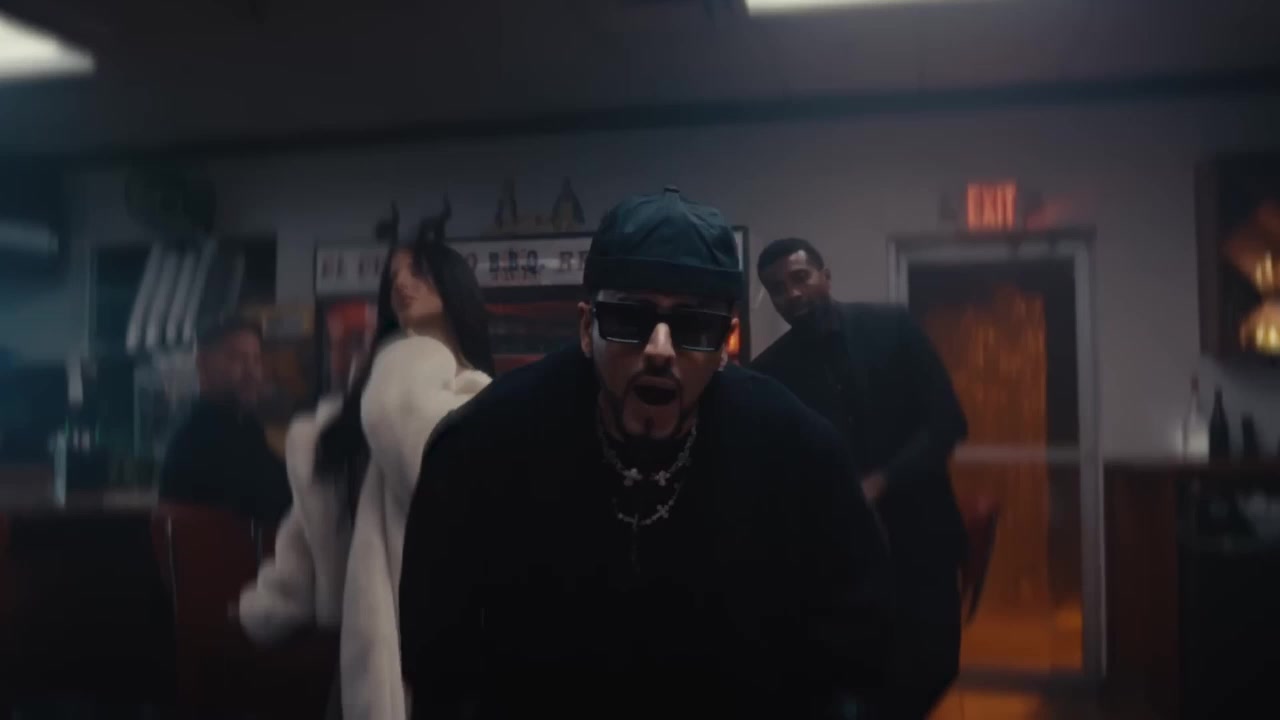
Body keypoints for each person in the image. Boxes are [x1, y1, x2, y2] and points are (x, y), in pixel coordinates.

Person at [398, 188, 892, 720]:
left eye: (694, 326)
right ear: (586, 328)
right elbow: (439, 663)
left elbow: (856, 644)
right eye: (629, 320)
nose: (659, 349)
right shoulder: (484, 446)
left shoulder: (797, 453)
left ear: (725, 343)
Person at [235, 218, 495, 720]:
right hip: (359, 655)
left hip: (442, 650)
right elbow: (310, 529)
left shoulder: (476, 401)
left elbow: (420, 461)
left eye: (418, 271)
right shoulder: (348, 416)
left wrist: (407, 354)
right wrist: (273, 601)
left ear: (454, 285)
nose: (401, 283)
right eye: (393, 276)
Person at [751, 237, 969, 719]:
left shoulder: (892, 328)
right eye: (778, 288)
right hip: (841, 560)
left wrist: (881, 481)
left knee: (937, 666)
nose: (793, 294)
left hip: (924, 539)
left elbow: (948, 421)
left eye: (800, 278)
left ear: (825, 276)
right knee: (863, 680)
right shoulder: (769, 372)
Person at [159, 316, 291, 526]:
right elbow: (278, 499)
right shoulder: (204, 438)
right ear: (202, 365)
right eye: (237, 358)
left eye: (256, 360)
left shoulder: (243, 426)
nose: (252, 372)